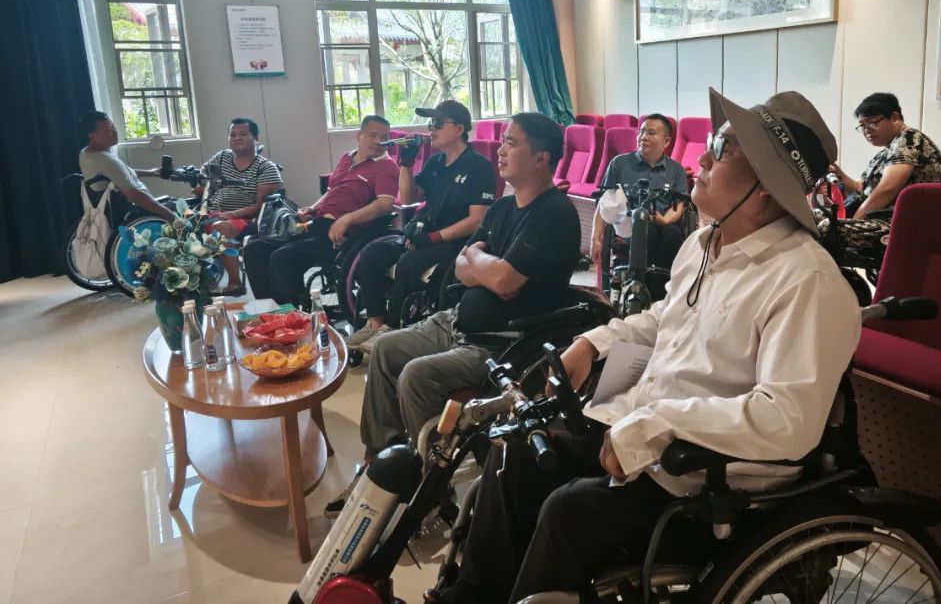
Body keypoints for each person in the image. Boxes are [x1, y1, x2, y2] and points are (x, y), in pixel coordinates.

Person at [433, 90, 862, 604]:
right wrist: (591, 343)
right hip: (646, 427)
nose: (702, 159)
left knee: (568, 512)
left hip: (710, 478)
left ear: (767, 188)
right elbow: (662, 319)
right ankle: (472, 595)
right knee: (516, 453)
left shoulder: (806, 281)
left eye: (723, 150)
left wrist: (657, 426)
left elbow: (786, 419)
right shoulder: (703, 243)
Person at [325, 112, 581, 519]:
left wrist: (482, 263)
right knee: (387, 348)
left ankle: (431, 488)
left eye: (512, 142)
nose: (501, 149)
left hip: (503, 343)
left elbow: (505, 282)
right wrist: (484, 265)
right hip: (459, 319)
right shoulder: (502, 209)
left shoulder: (554, 214)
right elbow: (463, 264)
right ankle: (382, 466)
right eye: (503, 140)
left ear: (541, 158)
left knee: (416, 375)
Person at [346, 100, 496, 350]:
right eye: (430, 123)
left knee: (409, 263)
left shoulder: (478, 166)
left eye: (437, 123)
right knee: (372, 253)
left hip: (455, 242)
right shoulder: (436, 162)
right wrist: (406, 164)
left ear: (459, 129)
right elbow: (408, 198)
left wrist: (433, 238)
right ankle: (375, 322)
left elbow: (477, 219)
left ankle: (391, 330)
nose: (431, 129)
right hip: (425, 236)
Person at [242, 115, 399, 307]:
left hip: (344, 235)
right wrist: (313, 207)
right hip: (316, 224)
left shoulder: (386, 166)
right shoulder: (346, 158)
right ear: (359, 136)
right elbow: (331, 191)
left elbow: (385, 204)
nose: (379, 141)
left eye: (384, 137)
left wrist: (347, 219)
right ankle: (270, 310)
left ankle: (292, 317)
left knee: (282, 258)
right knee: (254, 249)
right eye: (373, 135)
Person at [824, 92, 941, 253]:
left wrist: (854, 220)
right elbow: (863, 188)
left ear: (895, 118)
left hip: (906, 223)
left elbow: (887, 189)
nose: (866, 131)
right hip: (886, 216)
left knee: (824, 228)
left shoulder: (909, 140)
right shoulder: (889, 149)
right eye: (862, 126)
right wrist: (842, 176)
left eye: (872, 123)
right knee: (815, 217)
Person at [590, 113, 688, 297]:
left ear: (666, 141)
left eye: (651, 133)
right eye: (641, 132)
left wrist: (664, 220)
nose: (644, 137)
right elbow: (604, 204)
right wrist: (595, 238)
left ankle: (658, 293)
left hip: (663, 222)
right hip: (627, 225)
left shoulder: (676, 170)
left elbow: (679, 205)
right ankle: (639, 289)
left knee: (673, 235)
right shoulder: (619, 163)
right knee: (645, 233)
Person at [199, 117, 283, 295]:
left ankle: (235, 283)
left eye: (243, 134)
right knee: (181, 224)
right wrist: (200, 186)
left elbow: (260, 206)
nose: (237, 138)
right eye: (233, 134)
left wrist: (232, 214)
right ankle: (197, 281)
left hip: (248, 219)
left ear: (256, 138)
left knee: (219, 228)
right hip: (214, 212)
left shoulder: (266, 168)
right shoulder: (221, 157)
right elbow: (203, 178)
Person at [78, 111, 175, 220]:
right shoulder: (104, 160)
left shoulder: (87, 153)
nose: (115, 132)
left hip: (132, 207)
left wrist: (152, 173)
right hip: (136, 211)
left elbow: (121, 173)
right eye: (109, 131)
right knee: (179, 207)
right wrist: (171, 216)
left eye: (114, 128)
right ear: (92, 136)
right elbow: (136, 196)